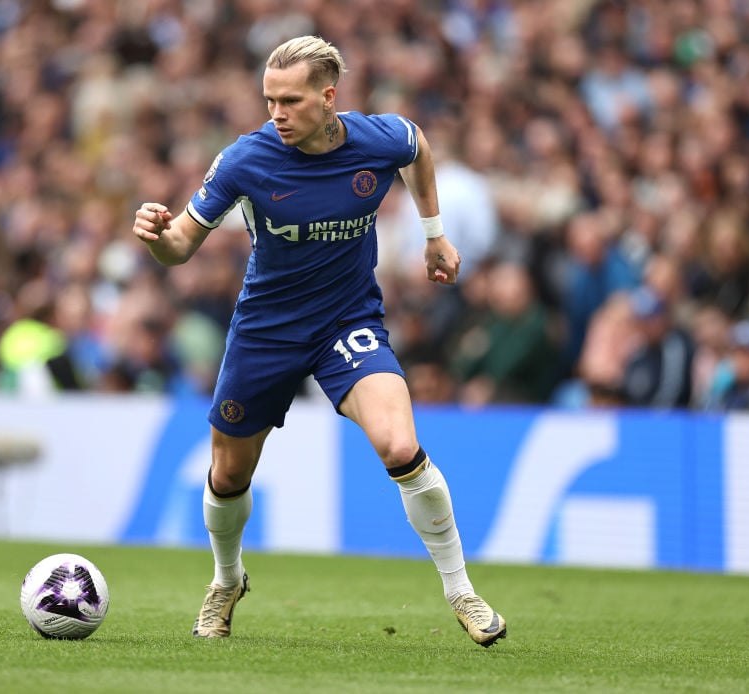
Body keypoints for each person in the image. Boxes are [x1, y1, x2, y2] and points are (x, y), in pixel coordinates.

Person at [131, 36, 506, 648]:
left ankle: (462, 592)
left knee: (400, 445)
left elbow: (418, 147)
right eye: (269, 100)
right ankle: (227, 581)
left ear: (329, 98)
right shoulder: (244, 160)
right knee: (228, 474)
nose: (275, 113)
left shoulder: (376, 140)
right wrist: (155, 237)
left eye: (290, 101)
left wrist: (434, 235)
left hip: (347, 322)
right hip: (266, 332)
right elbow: (179, 248)